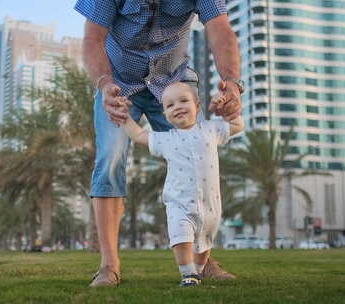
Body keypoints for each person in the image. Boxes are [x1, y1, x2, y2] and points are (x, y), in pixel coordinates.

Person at [74, 0, 243, 287]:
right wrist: (104, 85)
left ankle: (203, 260)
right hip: (120, 85)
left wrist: (232, 84)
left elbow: (220, 29)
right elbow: (93, 38)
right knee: (109, 159)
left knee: (201, 156)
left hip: (174, 86)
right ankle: (109, 265)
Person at [118, 82, 244, 286]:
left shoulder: (210, 129)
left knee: (204, 245)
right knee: (181, 239)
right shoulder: (165, 139)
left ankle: (199, 270)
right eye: (169, 105)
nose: (177, 106)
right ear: (165, 114)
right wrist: (124, 116)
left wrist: (227, 112)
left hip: (210, 204)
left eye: (183, 101)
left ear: (197, 104)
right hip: (179, 203)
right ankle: (188, 274)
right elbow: (139, 134)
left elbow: (238, 126)